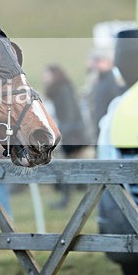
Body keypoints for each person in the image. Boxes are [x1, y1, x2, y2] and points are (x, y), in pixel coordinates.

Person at [42, 64, 89, 209]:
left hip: (72, 135)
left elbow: (69, 115)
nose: (45, 78)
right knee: (69, 168)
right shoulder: (60, 89)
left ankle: (67, 200)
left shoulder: (63, 89)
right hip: (70, 133)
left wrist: (60, 134)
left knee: (67, 167)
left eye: (47, 74)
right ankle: (67, 199)